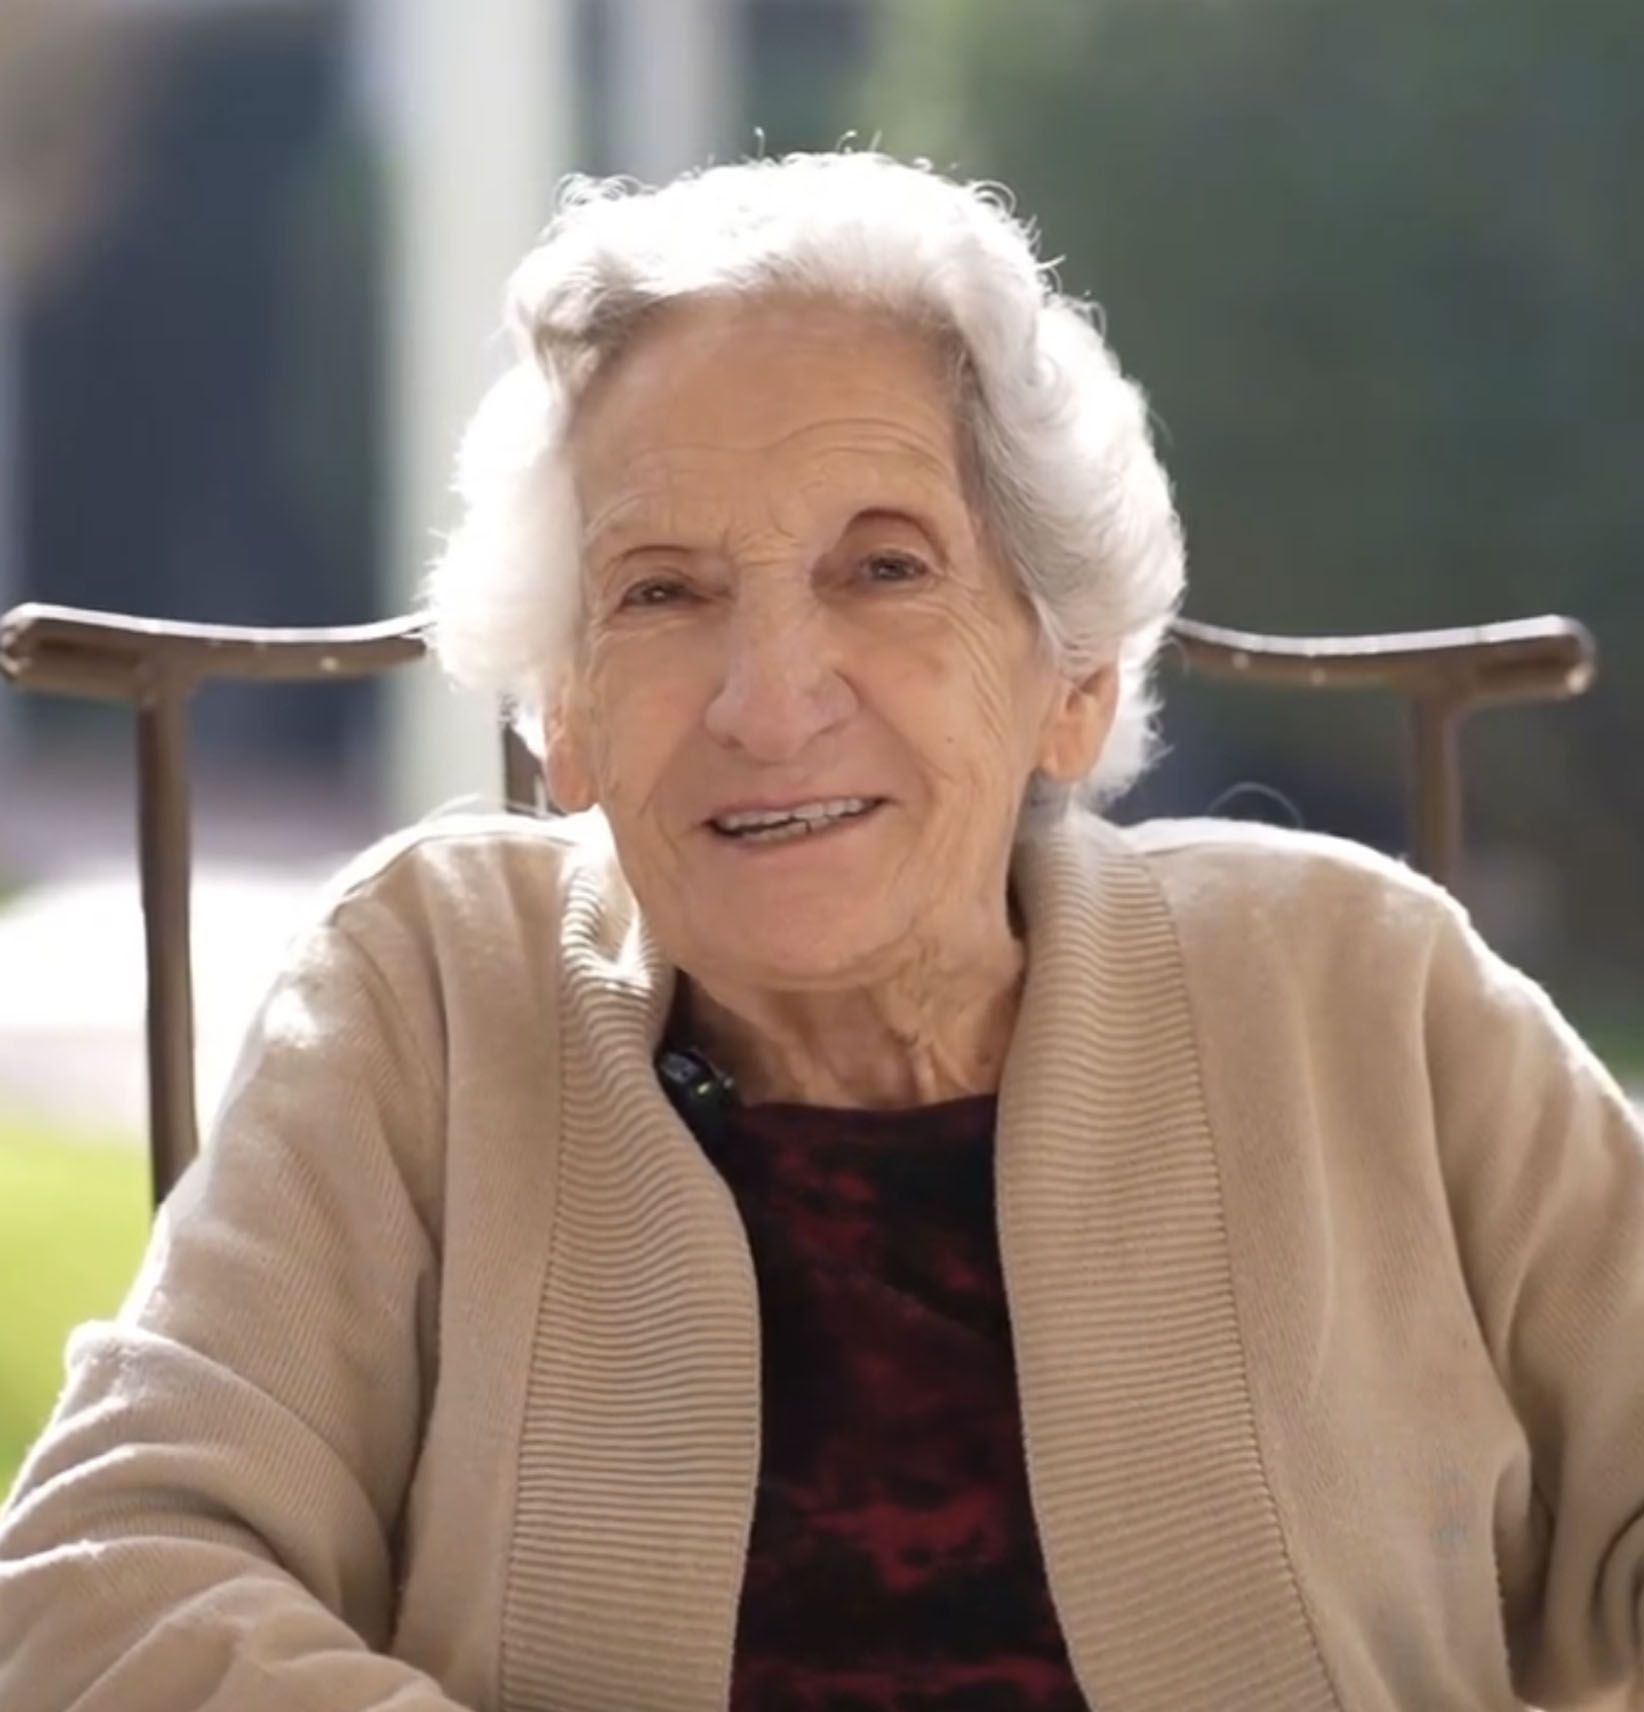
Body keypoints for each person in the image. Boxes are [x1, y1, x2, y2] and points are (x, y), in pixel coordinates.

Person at [1, 151, 1641, 1712]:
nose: (768, 701)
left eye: (883, 566)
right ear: (564, 713)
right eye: (660, 592)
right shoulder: (427, 999)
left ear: (1068, 677)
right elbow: (106, 1576)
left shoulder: (1358, 988)